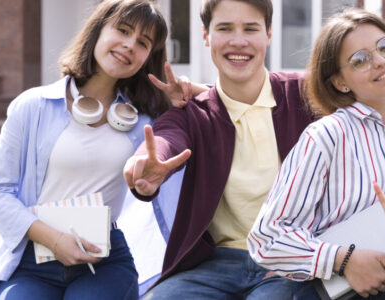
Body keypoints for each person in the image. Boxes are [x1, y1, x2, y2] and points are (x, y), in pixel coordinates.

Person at [247, 8, 385, 299]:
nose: (380, 61)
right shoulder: (326, 136)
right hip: (328, 286)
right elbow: (268, 237)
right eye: (359, 60)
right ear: (340, 82)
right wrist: (344, 260)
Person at [121, 0, 315, 298]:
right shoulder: (191, 113)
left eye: (250, 29)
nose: (238, 41)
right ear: (206, 35)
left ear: (268, 34)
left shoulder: (305, 96)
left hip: (289, 261)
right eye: (225, 28)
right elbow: (167, 138)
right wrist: (148, 164)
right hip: (213, 265)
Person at [0, 0, 171, 299]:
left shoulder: (145, 121)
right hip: (31, 261)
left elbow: (209, 105)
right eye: (122, 30)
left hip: (105, 259)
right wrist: (55, 240)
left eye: (142, 42)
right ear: (98, 30)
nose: (129, 45)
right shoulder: (33, 105)